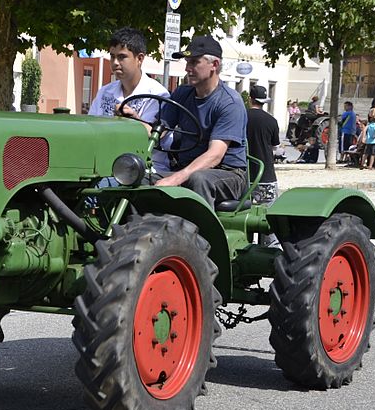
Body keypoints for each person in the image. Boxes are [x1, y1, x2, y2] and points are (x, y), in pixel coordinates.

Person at [155, 35, 247, 208]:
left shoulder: (229, 102)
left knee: (198, 179)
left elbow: (215, 155)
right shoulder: (182, 93)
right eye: (187, 63)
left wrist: (177, 177)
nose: (187, 69)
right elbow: (159, 130)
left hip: (228, 173)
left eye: (194, 62)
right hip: (186, 167)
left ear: (215, 65)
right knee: (137, 177)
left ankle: (201, 234)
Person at [89, 27, 170, 176]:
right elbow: (90, 128)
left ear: (139, 59)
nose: (115, 63)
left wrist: (133, 120)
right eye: (112, 56)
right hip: (104, 163)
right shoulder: (105, 92)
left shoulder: (158, 95)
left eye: (121, 57)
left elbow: (153, 137)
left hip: (143, 169)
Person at [246, 85, 280, 246]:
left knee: (244, 214)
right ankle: (267, 251)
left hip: (243, 175)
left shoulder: (240, 117)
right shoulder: (271, 121)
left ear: (250, 99)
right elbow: (274, 147)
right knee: (268, 216)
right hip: (265, 175)